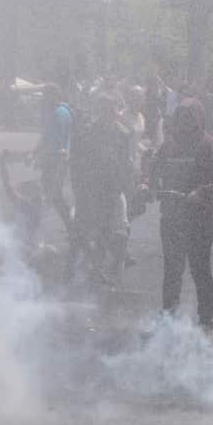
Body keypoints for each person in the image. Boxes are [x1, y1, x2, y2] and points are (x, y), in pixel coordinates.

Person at [145, 100, 213, 330]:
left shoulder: (209, 146)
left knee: (200, 269)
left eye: (190, 117)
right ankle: (168, 317)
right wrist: (149, 185)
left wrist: (201, 193)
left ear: (199, 119)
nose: (185, 122)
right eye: (181, 116)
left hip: (200, 219)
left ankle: (205, 321)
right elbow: (154, 169)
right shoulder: (169, 144)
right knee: (172, 269)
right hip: (172, 217)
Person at [66, 93, 132, 284]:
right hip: (90, 188)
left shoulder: (123, 134)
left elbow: (124, 162)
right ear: (99, 111)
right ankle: (71, 269)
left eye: (111, 110)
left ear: (115, 111)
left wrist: (123, 184)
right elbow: (77, 161)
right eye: (104, 109)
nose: (107, 113)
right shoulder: (88, 131)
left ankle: (96, 268)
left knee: (105, 230)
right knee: (81, 230)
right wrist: (78, 187)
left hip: (111, 189)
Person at [35, 82, 74, 231]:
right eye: (44, 95)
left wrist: (63, 154)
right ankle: (69, 222)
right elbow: (45, 137)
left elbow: (63, 137)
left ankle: (70, 223)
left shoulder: (61, 112)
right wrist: (34, 153)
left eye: (47, 95)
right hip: (51, 158)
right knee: (51, 191)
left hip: (58, 159)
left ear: (55, 96)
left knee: (53, 193)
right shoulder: (52, 112)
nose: (44, 98)